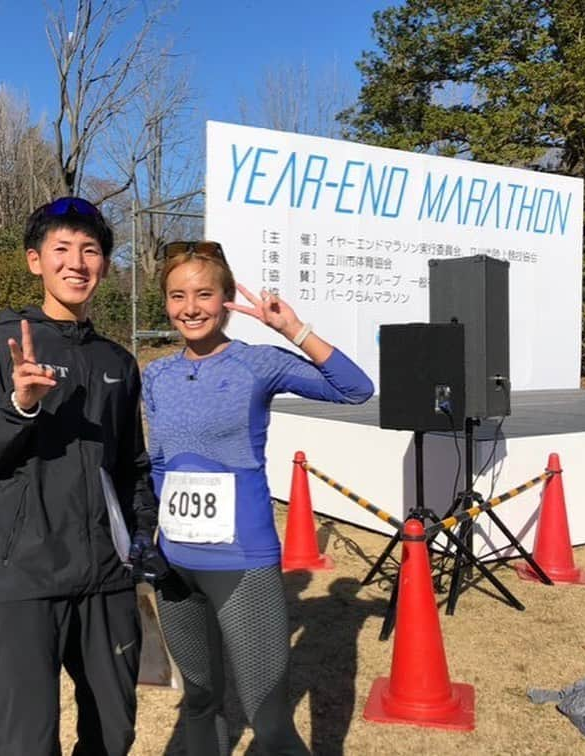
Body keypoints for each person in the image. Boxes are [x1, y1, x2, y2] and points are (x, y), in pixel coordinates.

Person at [0, 197, 162, 755]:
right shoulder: (0, 347)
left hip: (107, 582)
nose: (77, 262)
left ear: (106, 266)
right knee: (25, 743)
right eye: (61, 249)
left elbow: (131, 466)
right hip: (24, 580)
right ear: (34, 261)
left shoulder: (119, 362)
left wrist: (141, 534)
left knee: (113, 734)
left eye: (90, 250)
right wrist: (19, 406)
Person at [142, 240, 374, 755]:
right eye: (178, 296)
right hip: (175, 568)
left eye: (205, 294)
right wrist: (148, 538)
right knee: (198, 700)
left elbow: (354, 389)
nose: (191, 307)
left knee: (267, 719)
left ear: (226, 299)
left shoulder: (257, 363)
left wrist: (293, 329)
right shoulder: (156, 374)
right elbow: (159, 463)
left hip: (241, 564)